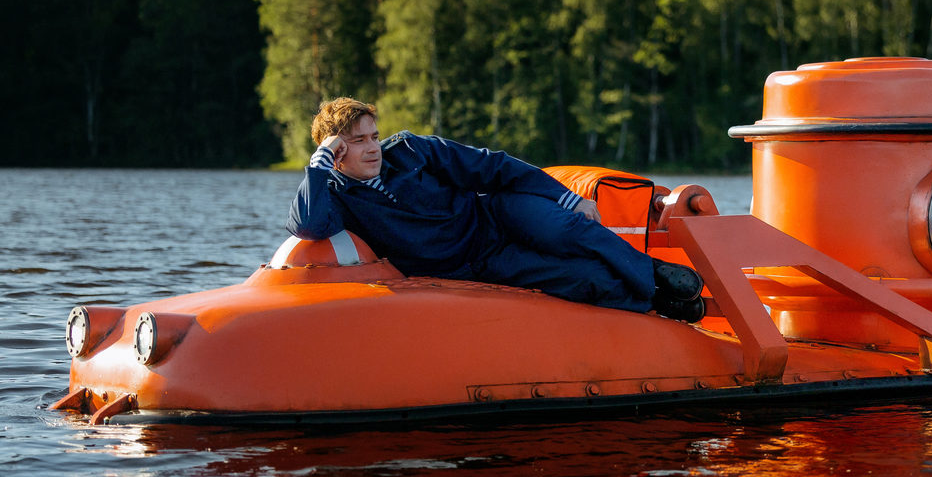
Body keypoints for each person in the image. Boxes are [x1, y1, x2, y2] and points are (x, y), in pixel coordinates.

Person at [286, 97, 705, 322]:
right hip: (472, 264)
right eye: (358, 141)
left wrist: (568, 196)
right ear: (335, 150)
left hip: (494, 215)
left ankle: (654, 274)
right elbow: (308, 225)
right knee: (581, 278)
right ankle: (660, 304)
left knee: (567, 230)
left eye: (374, 136)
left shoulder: (412, 150)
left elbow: (494, 166)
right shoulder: (336, 194)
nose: (374, 147)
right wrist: (317, 166)